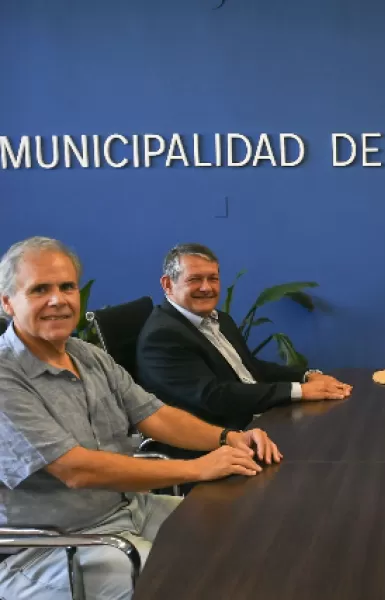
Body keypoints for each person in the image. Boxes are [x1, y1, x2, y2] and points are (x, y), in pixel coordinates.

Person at [0, 237, 281, 600]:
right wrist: (197, 469)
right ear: (7, 302)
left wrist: (228, 438)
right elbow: (76, 470)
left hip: (128, 508)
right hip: (54, 545)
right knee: (187, 582)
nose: (59, 300)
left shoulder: (84, 353)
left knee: (246, 534)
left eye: (67, 286)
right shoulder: (6, 377)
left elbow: (155, 415)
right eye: (40, 289)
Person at [136, 243, 352, 433]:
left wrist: (306, 376)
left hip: (256, 419)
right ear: (167, 284)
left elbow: (251, 367)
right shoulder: (163, 336)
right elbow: (214, 397)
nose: (207, 288)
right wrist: (298, 391)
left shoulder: (219, 319)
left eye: (213, 278)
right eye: (195, 279)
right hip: (220, 437)